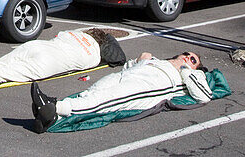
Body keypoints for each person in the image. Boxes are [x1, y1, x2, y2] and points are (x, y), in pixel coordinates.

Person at [31, 51, 212, 133]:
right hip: (128, 75)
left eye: (193, 60)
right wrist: (141, 60)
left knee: (106, 100)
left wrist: (186, 70)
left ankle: (55, 106)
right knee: (92, 92)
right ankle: (51, 119)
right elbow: (129, 66)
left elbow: (204, 96)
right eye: (186, 54)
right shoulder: (160, 60)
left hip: (150, 85)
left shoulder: (190, 74)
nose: (188, 57)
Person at [0, 28, 126, 95]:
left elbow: (60, 36)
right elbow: (117, 58)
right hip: (49, 61)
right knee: (2, 74)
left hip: (37, 46)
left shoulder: (73, 33)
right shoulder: (94, 55)